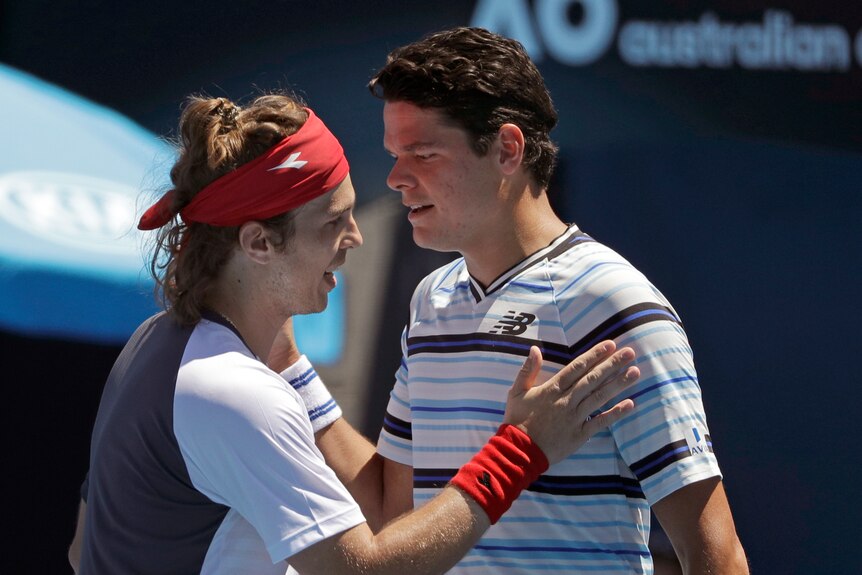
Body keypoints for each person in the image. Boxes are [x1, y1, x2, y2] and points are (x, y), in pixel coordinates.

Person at [68, 92, 641, 574]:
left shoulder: (153, 342)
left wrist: (291, 367)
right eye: (332, 222)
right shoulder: (235, 393)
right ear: (259, 244)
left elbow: (81, 548)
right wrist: (522, 449)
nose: (355, 237)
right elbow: (364, 568)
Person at [364, 27, 750, 574]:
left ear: (507, 149)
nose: (397, 178)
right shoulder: (431, 301)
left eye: (423, 154)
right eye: (395, 155)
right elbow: (390, 511)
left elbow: (715, 554)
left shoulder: (611, 300)